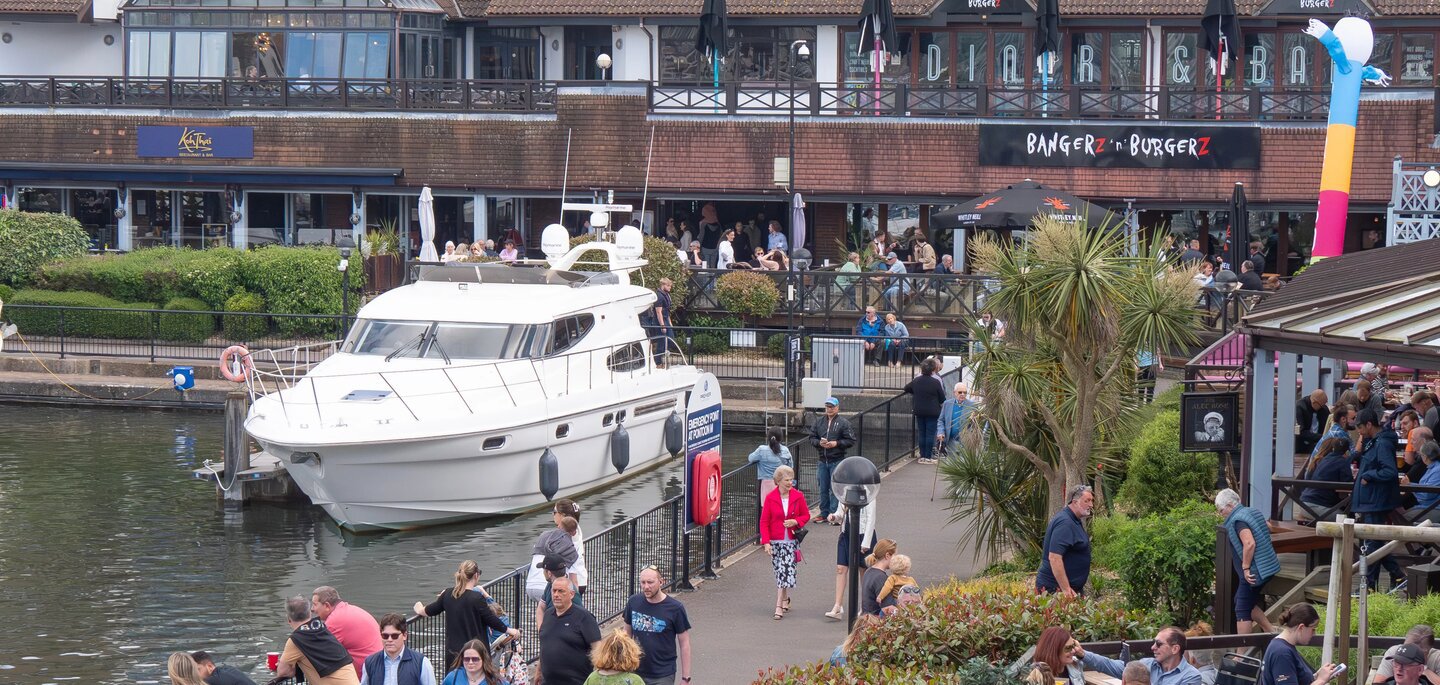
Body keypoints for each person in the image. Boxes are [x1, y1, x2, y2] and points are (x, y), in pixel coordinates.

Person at [414, 560, 520, 666]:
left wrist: (419, 607)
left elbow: (429, 611)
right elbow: (491, 619)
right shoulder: (476, 598)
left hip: (454, 653)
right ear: (476, 575)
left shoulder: (447, 594)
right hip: (476, 652)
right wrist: (511, 630)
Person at [1353, 407, 1407, 592]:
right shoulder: (1373, 441)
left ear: (1369, 424)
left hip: (1376, 500)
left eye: (1360, 427)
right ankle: (1393, 577)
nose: (1358, 431)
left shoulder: (1382, 443)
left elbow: (1390, 471)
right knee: (1374, 542)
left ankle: (1371, 585)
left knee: (1372, 543)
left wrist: (1369, 475)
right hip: (1372, 500)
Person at [1216, 488, 1279, 633]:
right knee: (1242, 601)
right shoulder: (1251, 511)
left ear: (1231, 506)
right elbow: (1268, 526)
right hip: (1266, 566)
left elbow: (1249, 543)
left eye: (1221, 510)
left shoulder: (1238, 520)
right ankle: (1270, 630)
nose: (1221, 514)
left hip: (1253, 572)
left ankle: (1242, 652)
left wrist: (1245, 567)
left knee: (1242, 609)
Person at [623, 566, 692, 685]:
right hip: (635, 670)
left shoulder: (675, 608)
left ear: (661, 582)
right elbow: (625, 636)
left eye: (650, 582)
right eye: (643, 582)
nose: (646, 587)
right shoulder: (633, 602)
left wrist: (686, 677)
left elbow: (684, 643)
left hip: (662, 674)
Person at [277, 595, 362, 685]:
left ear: (289, 619)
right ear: (310, 614)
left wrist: (280, 666)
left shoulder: (296, 640)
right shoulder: (323, 629)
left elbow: (283, 673)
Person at [760, 464, 808, 620]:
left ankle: (778, 605)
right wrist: (766, 542)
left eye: (792, 479)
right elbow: (764, 521)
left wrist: (795, 521)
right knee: (780, 571)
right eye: (787, 480)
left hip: (791, 542)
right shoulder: (770, 498)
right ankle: (785, 598)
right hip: (776, 541)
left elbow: (806, 515)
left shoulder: (798, 496)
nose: (790, 483)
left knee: (784, 570)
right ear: (778, 481)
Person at [824, 480, 877, 621]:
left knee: (863, 571)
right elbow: (841, 513)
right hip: (846, 533)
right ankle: (837, 606)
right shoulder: (846, 490)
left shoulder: (869, 493)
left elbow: (871, 518)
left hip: (862, 534)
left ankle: (864, 607)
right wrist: (834, 517)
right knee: (841, 568)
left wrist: (866, 542)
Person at [1078, 626, 1202, 685]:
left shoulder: (1191, 676)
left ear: (1175, 649)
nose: (1153, 647)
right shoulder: (1147, 664)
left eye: (1158, 644)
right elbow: (1112, 665)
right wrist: (1083, 654)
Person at [539, 576, 602, 685]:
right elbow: (545, 645)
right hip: (548, 681)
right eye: (554, 591)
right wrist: (538, 671)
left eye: (561, 591)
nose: (556, 595)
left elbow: (598, 649)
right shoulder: (548, 614)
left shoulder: (584, 617)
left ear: (572, 594)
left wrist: (598, 678)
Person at [1036, 485, 1094, 597]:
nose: (1091, 505)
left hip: (1069, 589)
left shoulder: (1074, 520)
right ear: (1075, 502)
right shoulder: (1065, 523)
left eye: (1091, 501)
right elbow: (1054, 557)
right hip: (1055, 589)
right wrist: (1066, 589)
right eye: (1087, 501)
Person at [312, 586, 382, 677]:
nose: (312, 609)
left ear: (327, 606)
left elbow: (318, 652)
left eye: (314, 604)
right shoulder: (350, 609)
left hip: (367, 674)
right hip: (379, 667)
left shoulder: (335, 620)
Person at [1260, 603, 1337, 685]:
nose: (1314, 634)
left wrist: (1317, 676)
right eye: (1313, 629)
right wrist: (1321, 680)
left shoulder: (1281, 646)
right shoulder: (1282, 653)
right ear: (1301, 628)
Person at [808, 397, 856, 521]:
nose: (829, 409)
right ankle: (824, 513)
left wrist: (836, 443)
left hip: (836, 459)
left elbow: (851, 440)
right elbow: (812, 437)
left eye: (832, 407)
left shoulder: (844, 423)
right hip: (823, 460)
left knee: (835, 488)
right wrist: (819, 443)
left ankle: (834, 512)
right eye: (828, 407)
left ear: (837, 408)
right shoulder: (819, 422)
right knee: (823, 488)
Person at [360, 613, 438, 685]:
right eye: (385, 636)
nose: (389, 640)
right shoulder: (370, 662)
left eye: (394, 636)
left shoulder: (422, 663)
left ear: (404, 636)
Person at [526, 509, 579, 604]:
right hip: (549, 587)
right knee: (557, 615)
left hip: (530, 586)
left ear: (559, 525)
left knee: (542, 611)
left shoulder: (543, 535)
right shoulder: (571, 549)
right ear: (574, 532)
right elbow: (573, 579)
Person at [1299, 437, 1354, 519]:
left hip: (1304, 502)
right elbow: (1347, 484)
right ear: (1346, 452)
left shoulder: (1320, 461)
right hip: (1317, 505)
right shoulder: (1342, 462)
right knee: (1346, 519)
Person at [903, 357, 946, 463]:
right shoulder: (935, 382)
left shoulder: (917, 380)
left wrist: (916, 393)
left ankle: (922, 455)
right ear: (933, 369)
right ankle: (928, 456)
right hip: (932, 411)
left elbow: (906, 388)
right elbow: (942, 398)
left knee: (922, 433)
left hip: (919, 410)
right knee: (930, 434)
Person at [1373, 626, 1440, 684]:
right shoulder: (1395, 652)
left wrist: (1423, 670)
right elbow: (1378, 682)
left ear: (1427, 651)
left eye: (1413, 651)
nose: (1407, 652)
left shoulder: (1437, 658)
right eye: (1406, 647)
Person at [749, 428, 793, 505]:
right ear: (781, 438)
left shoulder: (762, 450)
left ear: (768, 437)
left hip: (767, 483)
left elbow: (751, 458)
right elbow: (790, 466)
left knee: (767, 508)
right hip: (782, 483)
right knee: (781, 506)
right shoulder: (785, 450)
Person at [860, 538, 898, 617]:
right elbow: (888, 608)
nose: (896, 559)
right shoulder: (881, 578)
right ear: (887, 555)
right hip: (876, 621)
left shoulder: (869, 571)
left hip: (867, 619)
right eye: (895, 556)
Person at [937, 382, 975, 456]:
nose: (962, 394)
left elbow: (976, 424)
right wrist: (940, 432)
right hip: (950, 440)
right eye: (960, 392)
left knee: (964, 463)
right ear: (954, 392)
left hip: (965, 441)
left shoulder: (972, 405)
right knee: (952, 463)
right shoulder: (947, 404)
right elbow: (941, 420)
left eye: (965, 392)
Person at [1410, 442, 1440, 523]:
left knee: (1404, 518)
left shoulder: (1437, 470)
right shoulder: (1433, 468)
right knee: (1403, 515)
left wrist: (1409, 485)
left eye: (1421, 455)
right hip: (1428, 506)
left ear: (1425, 457)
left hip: (1433, 508)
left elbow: (1427, 494)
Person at [191, 651, 258, 685]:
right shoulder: (227, 669)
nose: (194, 675)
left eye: (197, 670)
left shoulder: (213, 680)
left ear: (210, 666)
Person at [1296, 390, 1330, 455]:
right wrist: (1322, 437)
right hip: (1302, 447)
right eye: (1321, 405)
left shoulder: (1323, 409)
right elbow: (1301, 432)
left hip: (1319, 446)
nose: (1323, 407)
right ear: (1314, 403)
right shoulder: (1300, 407)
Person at [652, 278, 674, 366]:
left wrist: (669, 321)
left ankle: (664, 353)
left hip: (665, 318)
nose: (670, 288)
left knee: (670, 338)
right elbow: (658, 312)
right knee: (662, 340)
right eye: (668, 286)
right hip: (660, 320)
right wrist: (662, 325)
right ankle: (658, 361)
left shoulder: (666, 295)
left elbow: (667, 310)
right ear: (663, 285)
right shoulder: (659, 296)